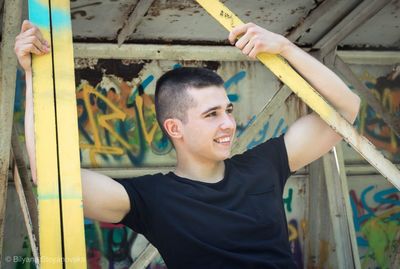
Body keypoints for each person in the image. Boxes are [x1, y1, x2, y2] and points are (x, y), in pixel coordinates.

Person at [15, 19, 360, 269]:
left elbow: (347, 109)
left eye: (228, 110)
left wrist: (284, 48)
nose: (228, 123)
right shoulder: (152, 199)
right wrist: (33, 74)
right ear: (174, 128)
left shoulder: (264, 165)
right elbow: (49, 178)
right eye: (211, 114)